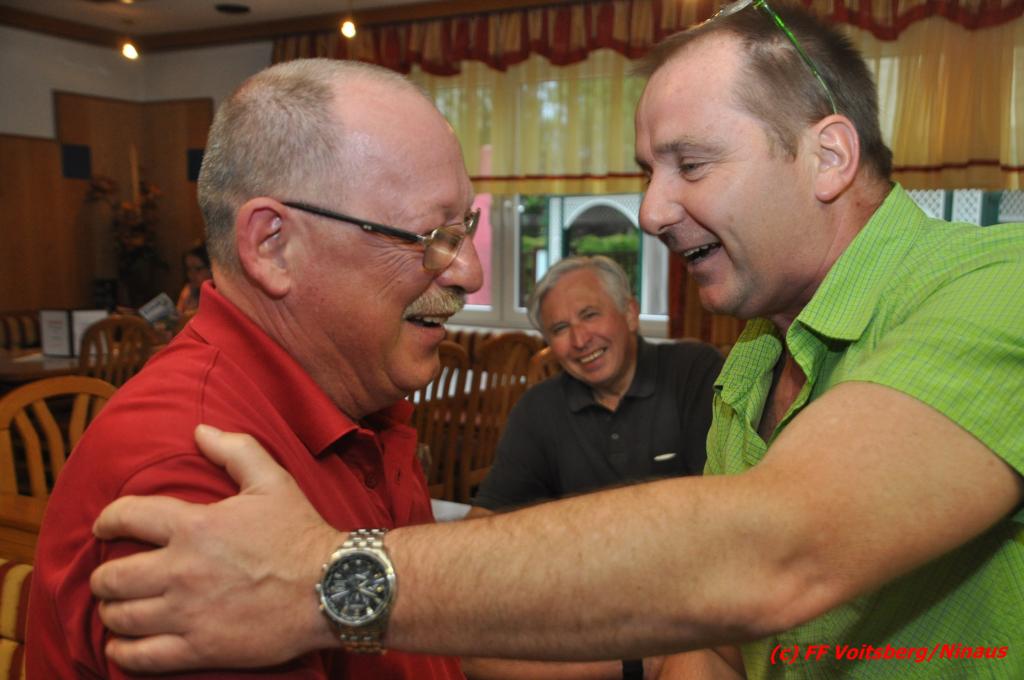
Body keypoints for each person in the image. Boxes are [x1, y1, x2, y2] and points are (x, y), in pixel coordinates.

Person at [89, 4, 1023, 679]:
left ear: (829, 156)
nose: (652, 212)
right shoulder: (754, 359)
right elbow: (726, 643)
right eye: (648, 171)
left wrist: (324, 582)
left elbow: (773, 551)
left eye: (692, 164)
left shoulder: (999, 285)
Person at [26, 58, 483, 679]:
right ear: (272, 246)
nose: (469, 272)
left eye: (465, 227)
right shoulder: (195, 475)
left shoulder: (357, 398)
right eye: (430, 235)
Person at [470, 255, 721, 514]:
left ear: (630, 314)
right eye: (560, 328)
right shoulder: (538, 407)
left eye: (589, 315)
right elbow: (490, 511)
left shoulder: (694, 372)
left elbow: (721, 497)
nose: (580, 341)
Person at [175, 242, 212, 319]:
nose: (191, 275)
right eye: (189, 269)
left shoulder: (220, 294)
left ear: (211, 269)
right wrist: (183, 301)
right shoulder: (189, 290)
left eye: (198, 269)